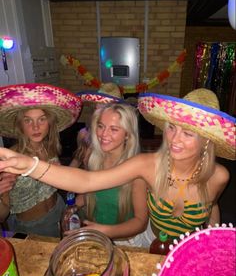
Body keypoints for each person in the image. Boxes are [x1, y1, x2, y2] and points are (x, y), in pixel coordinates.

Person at [0, 89, 235, 246]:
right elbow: (87, 182)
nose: (173, 139)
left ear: (207, 140)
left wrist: (210, 241)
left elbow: (211, 205)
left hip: (190, 247)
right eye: (171, 128)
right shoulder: (148, 165)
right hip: (153, 242)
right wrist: (30, 165)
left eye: (188, 133)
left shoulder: (220, 176)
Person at [0, 83, 82, 237]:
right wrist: (1, 197)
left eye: (42, 119)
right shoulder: (11, 158)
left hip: (59, 209)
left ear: (49, 123)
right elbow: (2, 216)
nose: (36, 127)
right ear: (20, 125)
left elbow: (60, 180)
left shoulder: (50, 147)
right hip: (31, 228)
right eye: (28, 121)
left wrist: (77, 160)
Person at [78, 103, 148, 244]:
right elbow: (91, 192)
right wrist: (72, 206)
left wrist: (106, 231)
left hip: (125, 242)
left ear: (127, 134)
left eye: (114, 129)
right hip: (96, 236)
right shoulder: (93, 157)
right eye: (101, 126)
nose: (104, 134)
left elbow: (141, 222)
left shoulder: (137, 169)